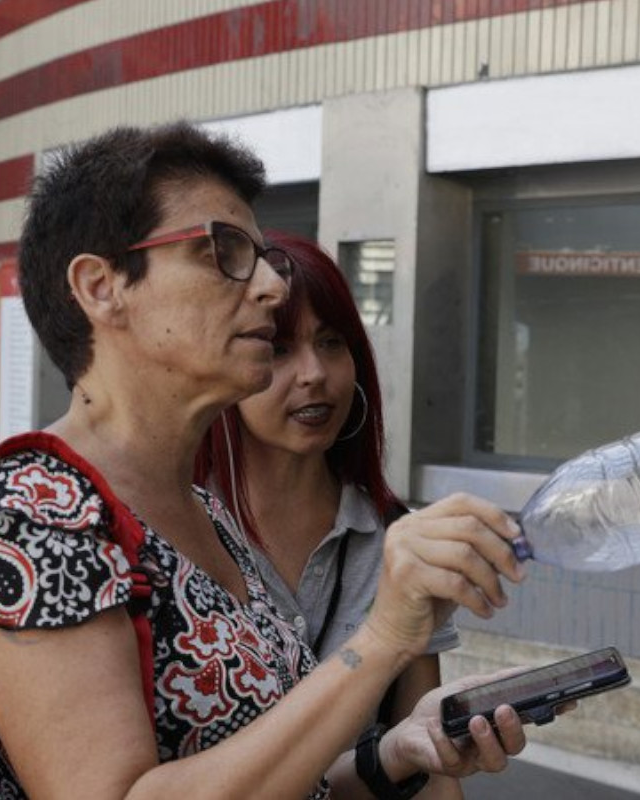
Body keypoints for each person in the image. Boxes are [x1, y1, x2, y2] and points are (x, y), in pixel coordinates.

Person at [0, 122, 536, 799]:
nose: (267, 285)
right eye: (223, 251)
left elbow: (286, 785)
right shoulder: (38, 506)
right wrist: (380, 638)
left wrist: (401, 751)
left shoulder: (202, 512)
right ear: (101, 287)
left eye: (259, 254)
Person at [195, 233, 462, 798]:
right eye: (280, 346)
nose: (314, 373)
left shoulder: (395, 538)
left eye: (332, 341)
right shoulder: (181, 530)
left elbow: (428, 769)